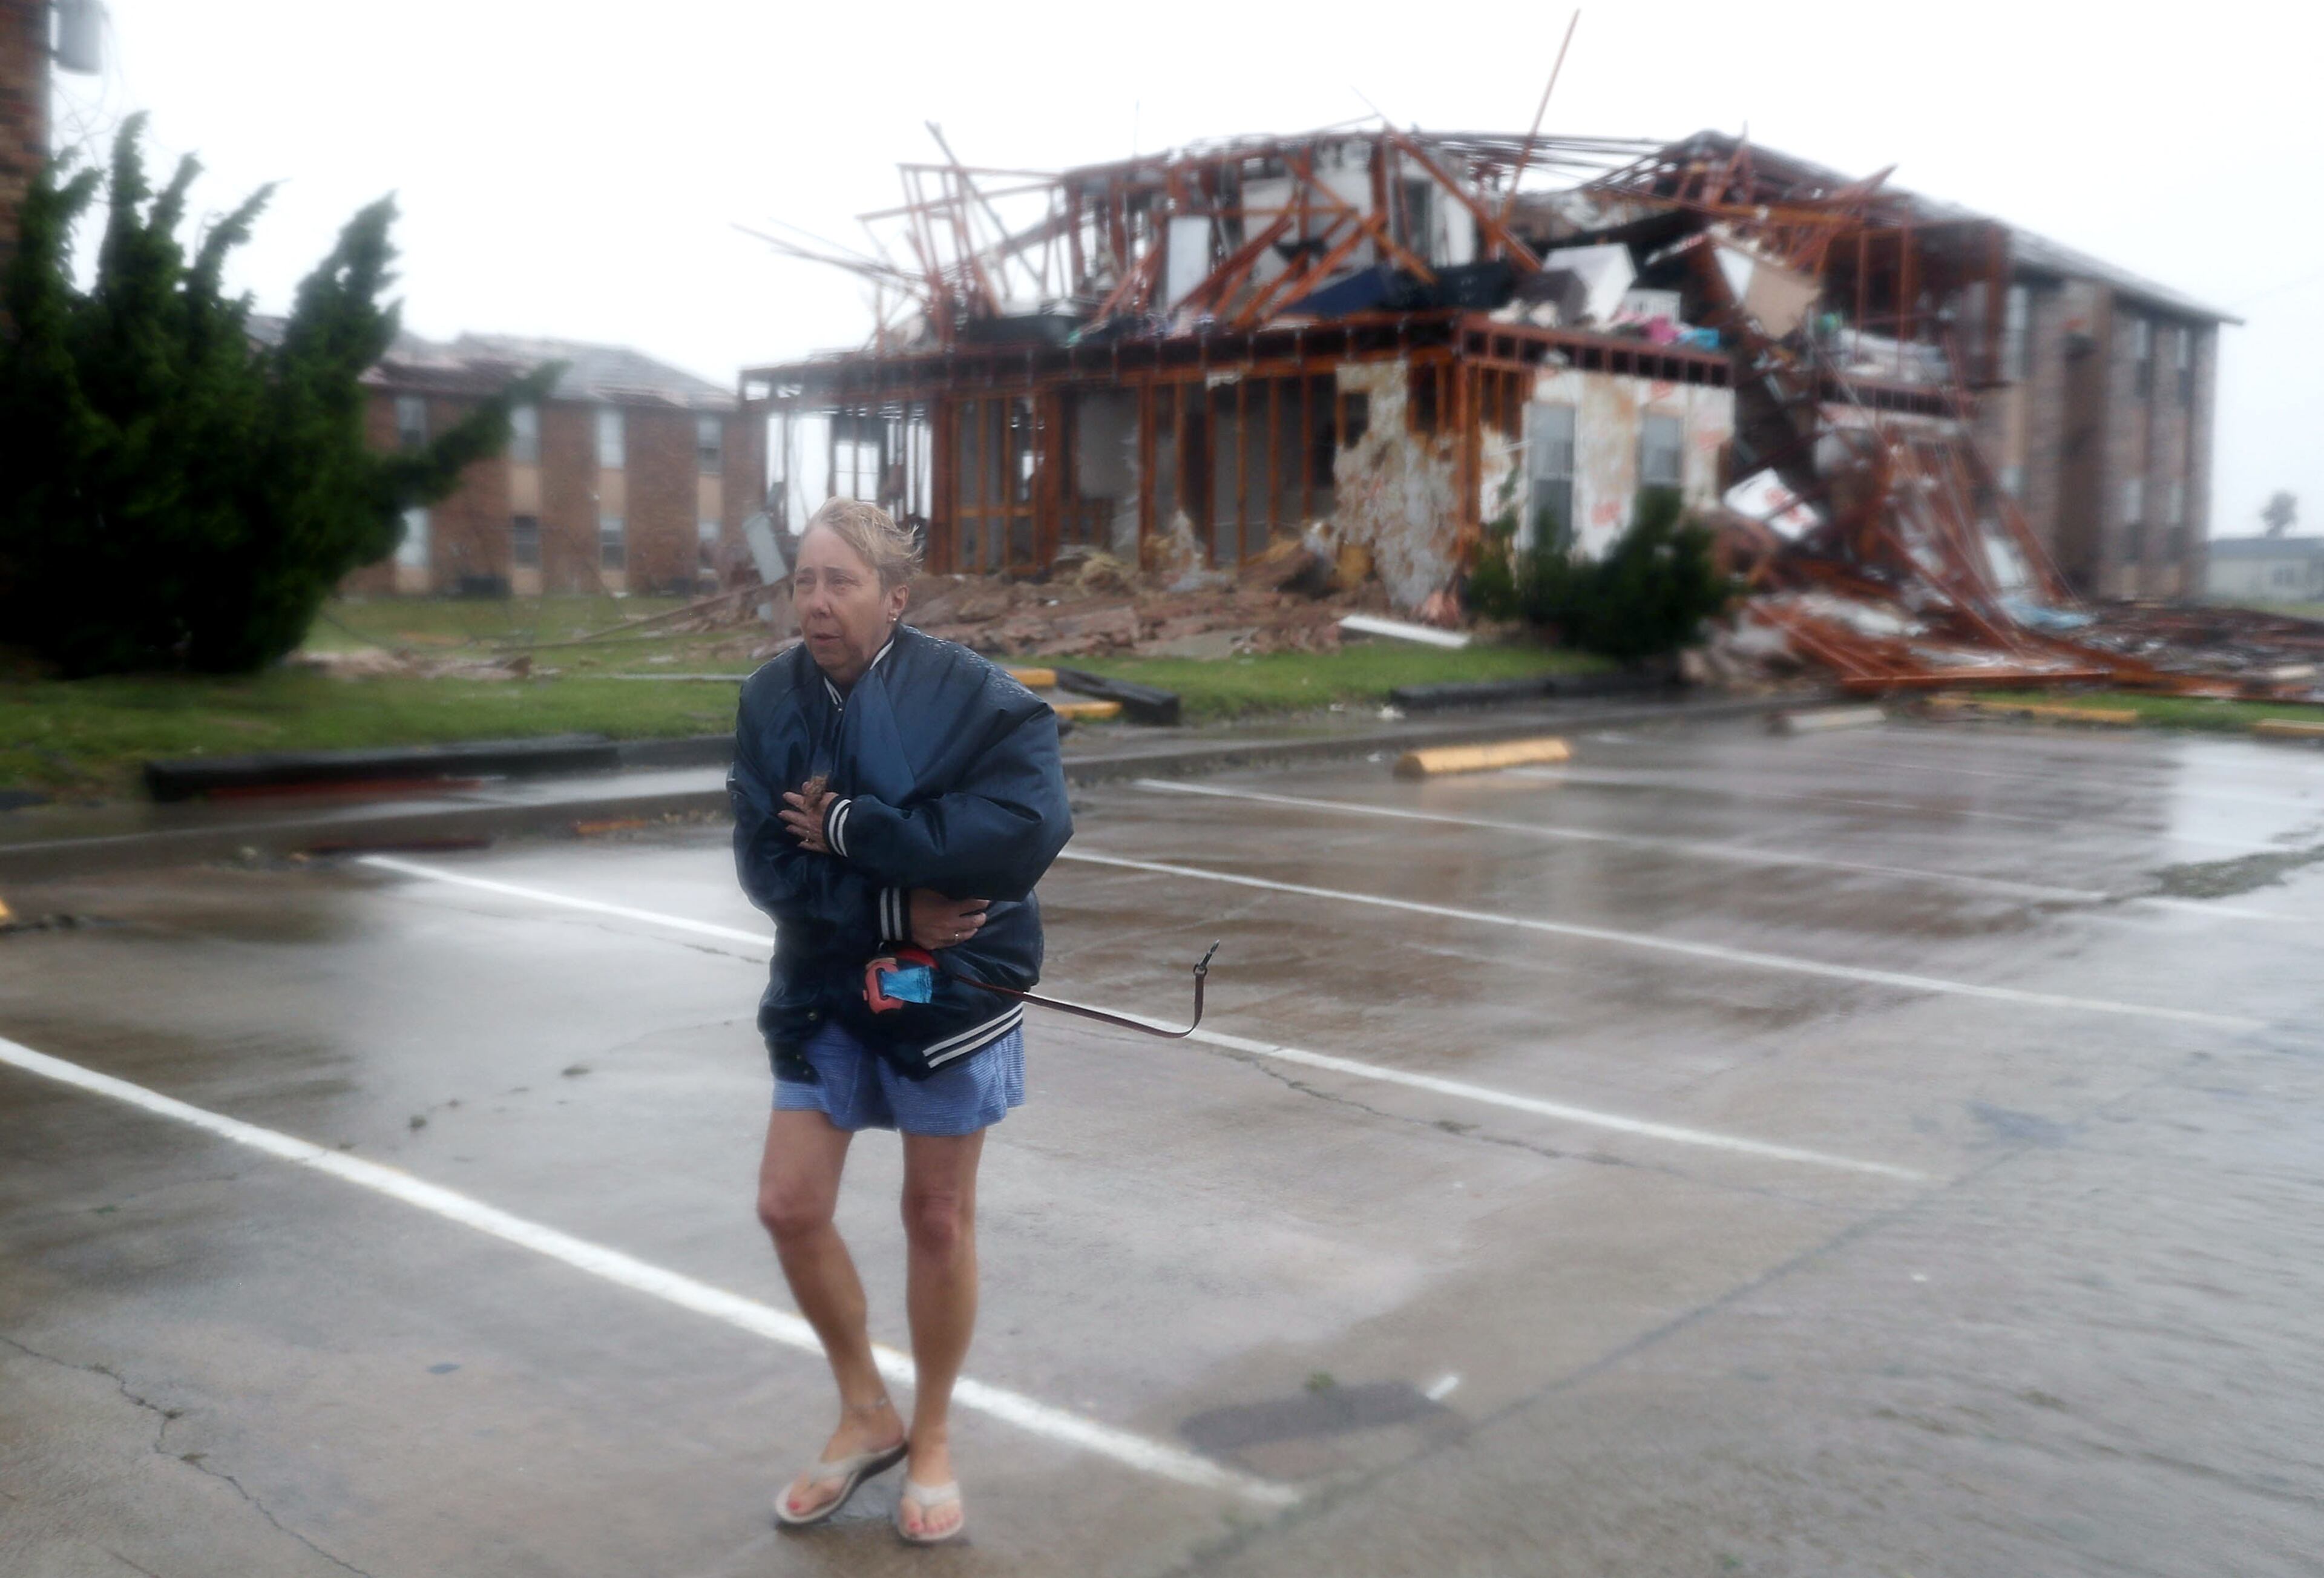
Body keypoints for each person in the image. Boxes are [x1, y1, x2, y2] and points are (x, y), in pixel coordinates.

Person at [728, 498, 1072, 1545]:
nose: (817, 603)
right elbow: (763, 863)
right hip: (827, 980)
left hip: (953, 987)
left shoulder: (980, 703)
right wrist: (892, 901)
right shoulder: (770, 700)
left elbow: (1021, 832)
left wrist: (853, 829)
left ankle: (930, 1436)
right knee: (789, 1205)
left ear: (895, 597)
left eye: (841, 582)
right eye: (804, 581)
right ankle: (864, 1408)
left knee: (937, 1217)